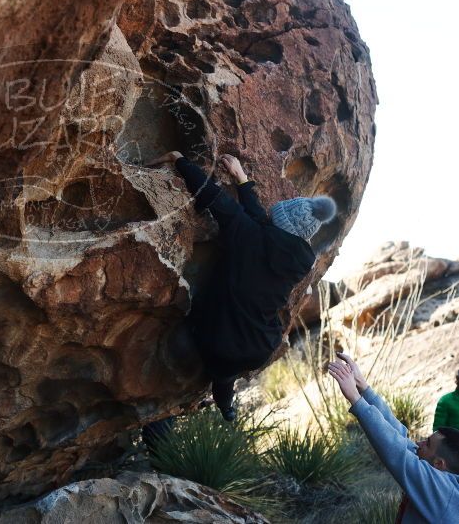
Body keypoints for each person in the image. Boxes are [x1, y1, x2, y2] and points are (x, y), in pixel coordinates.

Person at [143, 150, 336, 421]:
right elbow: (260, 222)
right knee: (227, 371)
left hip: (220, 339)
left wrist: (178, 159)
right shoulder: (298, 262)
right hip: (261, 344)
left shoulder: (248, 234)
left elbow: (212, 195)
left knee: (213, 358)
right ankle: (226, 406)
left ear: (280, 224)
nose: (269, 215)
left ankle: (164, 416)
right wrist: (242, 180)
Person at [329, 352, 459, 523]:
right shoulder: (443, 478)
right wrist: (364, 388)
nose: (418, 443)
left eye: (426, 444)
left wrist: (356, 400)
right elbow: (400, 439)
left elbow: (397, 452)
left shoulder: (441, 494)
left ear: (439, 464)